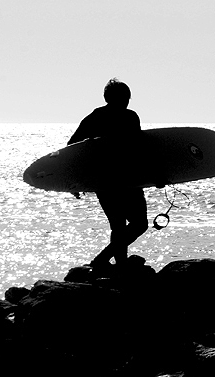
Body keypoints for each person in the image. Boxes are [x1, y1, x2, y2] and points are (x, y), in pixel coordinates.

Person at [68, 78, 152, 271]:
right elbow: (73, 146)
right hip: (108, 179)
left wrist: (158, 176)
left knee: (137, 224)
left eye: (127, 97)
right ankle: (117, 263)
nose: (126, 100)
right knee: (123, 225)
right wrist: (75, 181)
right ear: (110, 98)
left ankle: (106, 260)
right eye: (123, 97)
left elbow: (140, 149)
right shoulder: (97, 118)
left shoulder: (130, 117)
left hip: (126, 178)